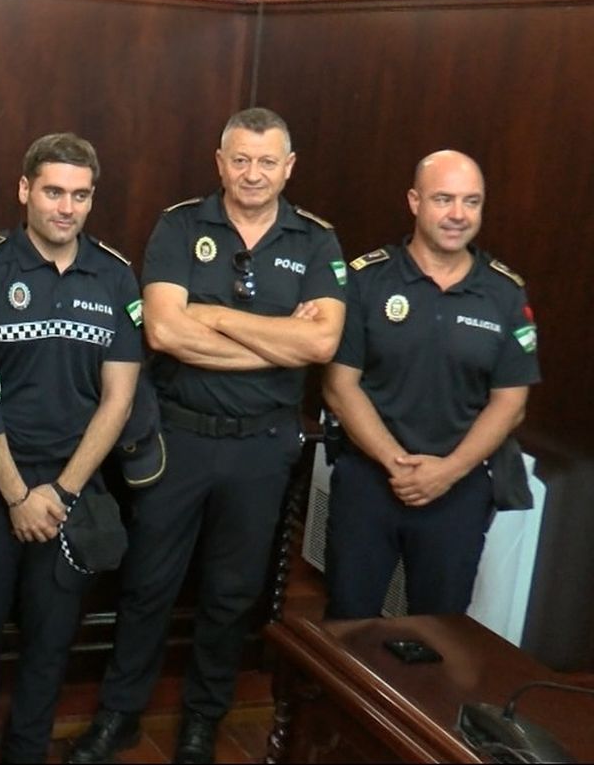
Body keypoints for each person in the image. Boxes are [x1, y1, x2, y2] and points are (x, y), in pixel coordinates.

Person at [69, 108, 346, 765]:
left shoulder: (316, 241)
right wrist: (277, 338)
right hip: (179, 439)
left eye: (266, 161)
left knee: (231, 593)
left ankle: (202, 719)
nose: (252, 173)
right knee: (148, 585)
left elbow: (322, 340)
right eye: (240, 159)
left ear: (289, 167)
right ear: (220, 161)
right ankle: (121, 714)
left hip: (262, 445)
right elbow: (164, 332)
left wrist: (215, 315)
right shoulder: (180, 224)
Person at [0, 134, 143, 763]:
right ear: (25, 190)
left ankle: (26, 751)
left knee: (51, 639)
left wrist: (59, 491)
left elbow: (119, 398)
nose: (67, 207)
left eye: (80, 195)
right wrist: (16, 494)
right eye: (53, 191)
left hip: (71, 489)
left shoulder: (114, 274)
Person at [322, 151, 537, 619]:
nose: (458, 214)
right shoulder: (367, 280)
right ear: (414, 201)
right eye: (444, 199)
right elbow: (340, 386)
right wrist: (397, 464)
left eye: (471, 201)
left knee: (438, 632)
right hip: (369, 481)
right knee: (347, 622)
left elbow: (511, 403)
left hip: (458, 490)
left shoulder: (504, 293)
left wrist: (448, 470)